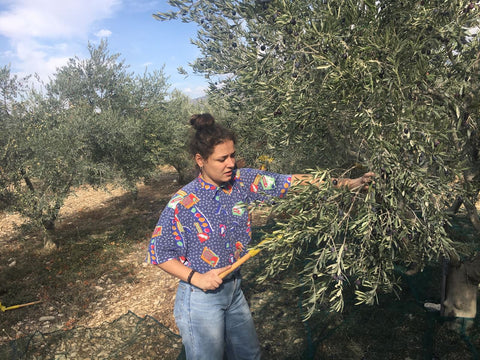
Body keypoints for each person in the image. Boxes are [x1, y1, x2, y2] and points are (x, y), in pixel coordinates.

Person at [146, 113, 374, 360]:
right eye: (222, 159)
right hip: (200, 299)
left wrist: (349, 183)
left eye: (232, 155)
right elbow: (159, 253)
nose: (230, 163)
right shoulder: (183, 203)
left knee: (250, 355)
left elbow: (292, 183)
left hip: (233, 290)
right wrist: (197, 278)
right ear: (200, 160)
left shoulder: (242, 181)